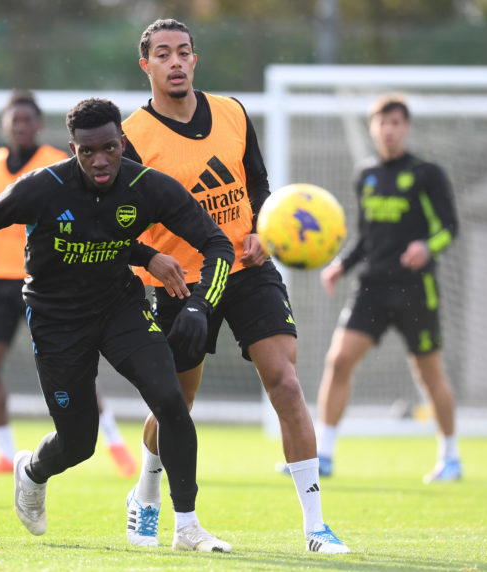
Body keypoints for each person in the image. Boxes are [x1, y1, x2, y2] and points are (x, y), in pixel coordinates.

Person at [0, 97, 235, 552]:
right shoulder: (42, 187)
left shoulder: (148, 186)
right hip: (56, 320)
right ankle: (32, 472)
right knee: (79, 443)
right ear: (72, 148)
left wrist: (202, 306)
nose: (99, 161)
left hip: (119, 307)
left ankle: (187, 527)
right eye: (87, 152)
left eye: (108, 148)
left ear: (122, 143)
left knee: (170, 402)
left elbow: (219, 244)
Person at [121, 18, 349, 554]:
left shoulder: (233, 112)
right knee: (178, 403)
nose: (175, 62)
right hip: (184, 282)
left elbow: (260, 187)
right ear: (146, 65)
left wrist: (266, 234)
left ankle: (316, 527)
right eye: (163, 55)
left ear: (195, 59)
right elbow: (122, 223)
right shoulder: (132, 136)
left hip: (247, 269)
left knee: (286, 383)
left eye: (183, 52)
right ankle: (146, 489)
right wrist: (153, 260)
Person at [0, 90, 136, 479]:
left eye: (28, 120)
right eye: (15, 120)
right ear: (6, 125)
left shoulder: (57, 163)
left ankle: (114, 443)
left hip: (45, 282)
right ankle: (5, 452)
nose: (21, 126)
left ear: (39, 125)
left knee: (73, 370)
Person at [313, 94, 461, 484]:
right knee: (338, 361)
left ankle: (450, 457)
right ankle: (323, 455)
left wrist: (427, 247)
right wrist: (340, 266)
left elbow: (449, 228)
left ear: (406, 127)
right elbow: (365, 237)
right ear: (373, 128)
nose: (389, 129)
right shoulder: (366, 174)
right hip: (372, 288)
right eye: (383, 123)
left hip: (416, 289)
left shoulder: (428, 173)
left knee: (428, 374)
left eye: (396, 122)